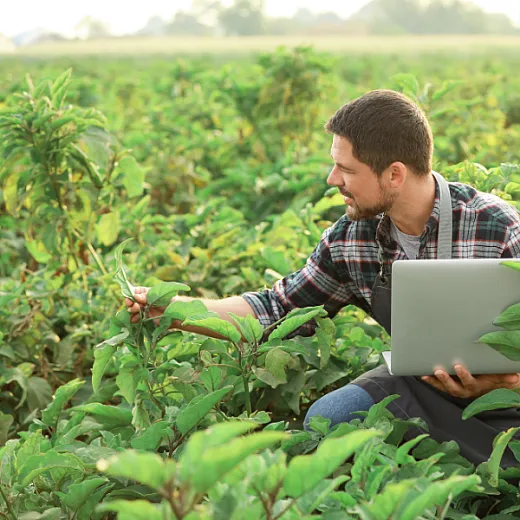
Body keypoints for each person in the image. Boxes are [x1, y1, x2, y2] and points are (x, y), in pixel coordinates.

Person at [126, 89, 520, 467]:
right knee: (329, 419)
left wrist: (504, 385)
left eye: (346, 169)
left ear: (395, 174)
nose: (333, 180)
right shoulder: (353, 237)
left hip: (510, 400)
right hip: (416, 384)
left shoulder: (497, 228)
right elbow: (276, 309)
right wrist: (173, 312)